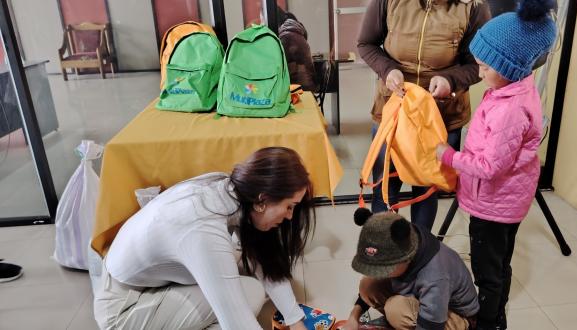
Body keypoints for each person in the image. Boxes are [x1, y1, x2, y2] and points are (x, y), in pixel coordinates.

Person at [94, 147, 314, 330]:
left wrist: (295, 322)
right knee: (251, 293)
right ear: (262, 200)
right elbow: (238, 324)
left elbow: (266, 261)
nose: (290, 216)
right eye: (288, 207)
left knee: (240, 262)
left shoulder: (225, 188)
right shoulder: (203, 229)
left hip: (141, 281)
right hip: (123, 309)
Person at [436, 1, 557, 328]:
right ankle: (497, 316)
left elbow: (490, 166)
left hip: (494, 204)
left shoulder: (510, 108)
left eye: (487, 67)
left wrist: (449, 156)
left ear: (512, 65)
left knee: (488, 271)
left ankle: (488, 322)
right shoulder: (511, 89)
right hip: (506, 202)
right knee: (500, 264)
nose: (480, 73)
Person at [357, 0, 491, 230]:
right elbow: (366, 44)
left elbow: (479, 64)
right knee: (384, 188)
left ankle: (421, 250)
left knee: (427, 189)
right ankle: (385, 252)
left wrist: (451, 80)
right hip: (393, 113)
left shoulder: (473, 7)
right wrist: (388, 70)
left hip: (441, 116)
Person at [340, 209, 479, 330]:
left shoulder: (435, 277)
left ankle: (401, 321)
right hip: (427, 301)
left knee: (395, 309)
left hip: (455, 317)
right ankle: (402, 320)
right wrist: (354, 318)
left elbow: (431, 326)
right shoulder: (405, 238)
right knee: (368, 284)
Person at [278, 11, 317, 91]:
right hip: (308, 81)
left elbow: (280, 62)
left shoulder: (287, 37)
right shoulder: (297, 34)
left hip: (301, 87)